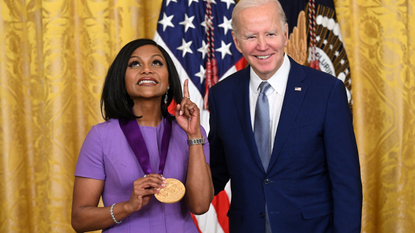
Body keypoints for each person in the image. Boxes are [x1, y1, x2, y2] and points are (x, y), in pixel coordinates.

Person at [208, 0, 362, 232]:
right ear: (236, 41)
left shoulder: (327, 91)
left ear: (286, 34)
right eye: (251, 37)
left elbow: (346, 185)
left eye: (270, 33)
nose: (262, 45)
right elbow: (215, 175)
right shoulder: (222, 95)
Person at [71, 39, 214, 233]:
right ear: (122, 78)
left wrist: (193, 134)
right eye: (135, 64)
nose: (147, 70)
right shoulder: (101, 136)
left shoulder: (193, 133)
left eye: (156, 63)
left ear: (169, 78)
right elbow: (80, 220)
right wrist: (128, 206)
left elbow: (200, 206)